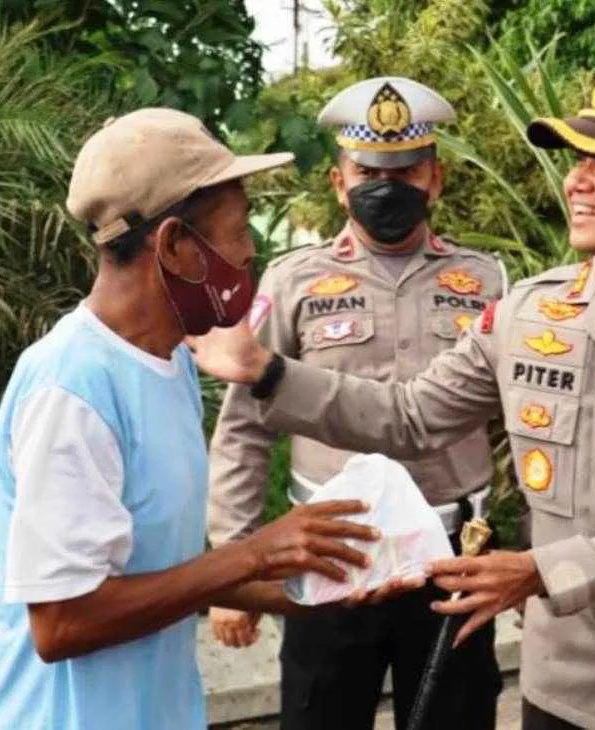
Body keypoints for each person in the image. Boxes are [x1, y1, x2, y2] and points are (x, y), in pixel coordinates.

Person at [191, 75, 595, 730]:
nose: (577, 181)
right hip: (559, 688)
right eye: (576, 162)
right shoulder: (526, 313)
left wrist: (537, 570)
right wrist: (268, 373)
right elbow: (411, 415)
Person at [0, 108, 399, 730]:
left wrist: (310, 590)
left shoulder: (167, 361)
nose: (251, 250)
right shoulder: (73, 388)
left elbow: (158, 572)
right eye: (237, 230)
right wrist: (253, 554)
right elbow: (62, 623)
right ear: (173, 245)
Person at [206, 76, 506, 730]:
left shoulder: (490, 282)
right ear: (339, 184)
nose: (387, 185)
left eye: (406, 171)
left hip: (455, 555)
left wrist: (535, 559)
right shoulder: (294, 281)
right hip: (332, 553)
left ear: (436, 179)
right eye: (369, 170)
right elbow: (244, 430)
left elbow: (530, 427)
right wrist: (233, 568)